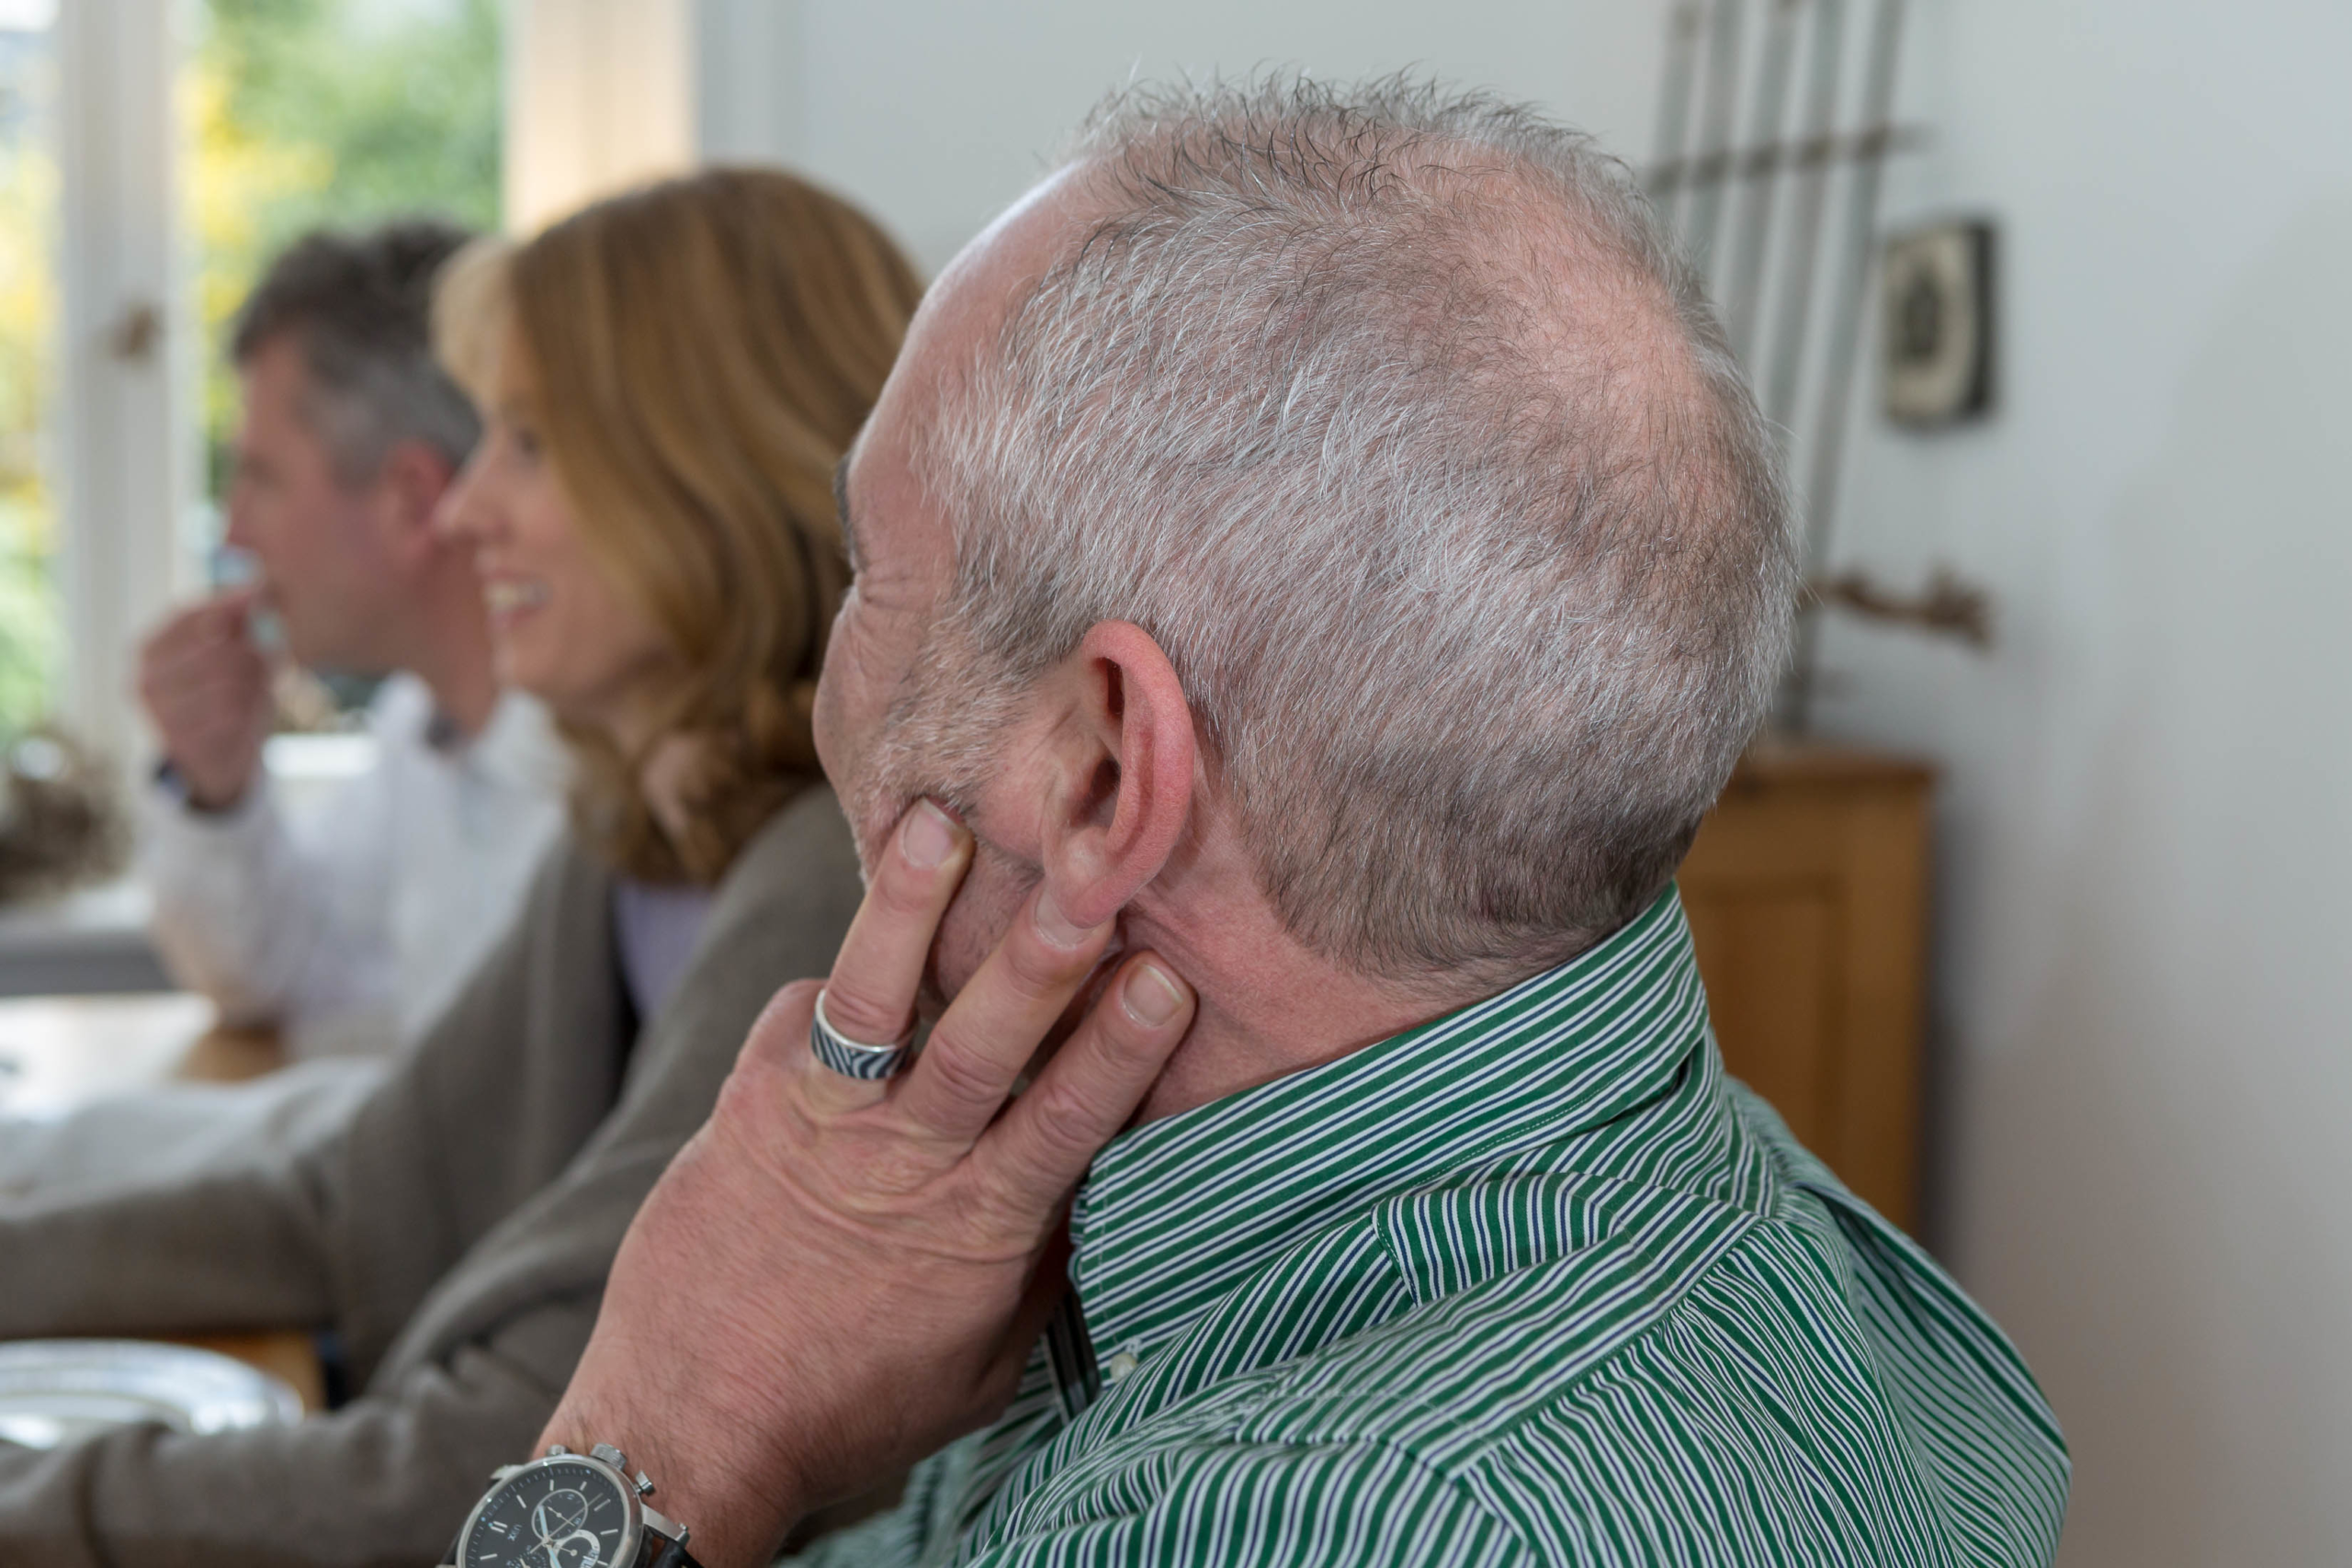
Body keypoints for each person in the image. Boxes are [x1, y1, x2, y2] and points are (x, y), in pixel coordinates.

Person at [515, 80, 2072, 1568]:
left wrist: (668, 1427)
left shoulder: (1318, 1517)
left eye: (869, 574)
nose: (826, 669)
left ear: (1106, 777)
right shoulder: (1732, 1197)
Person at [0, 167, 923, 1568]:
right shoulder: (639, 835)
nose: (470, 506)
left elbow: (521, 1456)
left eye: (532, 444)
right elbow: (359, 1196)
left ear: (709, 467)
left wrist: (47, 1506)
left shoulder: (831, 880)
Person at [138, 220, 565, 1062]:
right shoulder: (425, 727)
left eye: (260, 477)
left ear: (411, 499)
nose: (234, 532)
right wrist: (216, 788)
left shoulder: (585, 791)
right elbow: (267, 972)